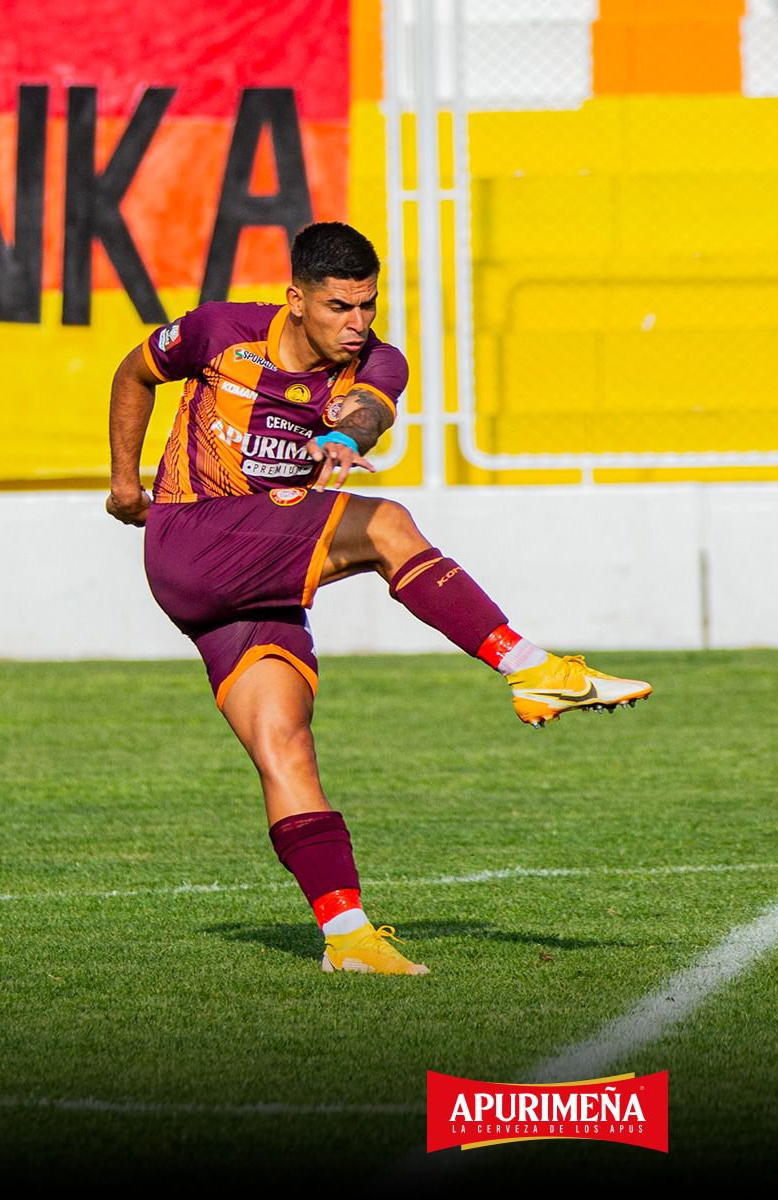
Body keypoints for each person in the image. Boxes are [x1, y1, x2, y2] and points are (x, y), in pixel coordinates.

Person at [106, 221, 650, 977]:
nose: (358, 324)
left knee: (287, 748)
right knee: (387, 523)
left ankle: (349, 936)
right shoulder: (217, 331)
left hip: (254, 575)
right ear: (296, 299)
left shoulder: (375, 361)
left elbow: (371, 407)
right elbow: (132, 373)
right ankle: (527, 667)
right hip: (190, 541)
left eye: (367, 305)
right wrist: (125, 482)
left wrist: (347, 442)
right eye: (339, 307)